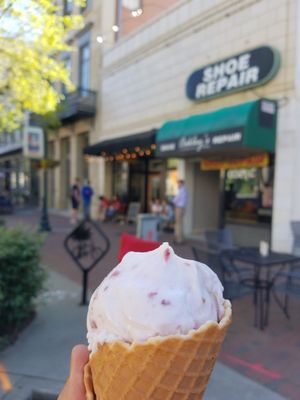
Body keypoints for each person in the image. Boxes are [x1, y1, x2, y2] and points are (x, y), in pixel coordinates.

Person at [172, 179, 188, 244]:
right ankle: (181, 238)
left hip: (179, 208)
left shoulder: (182, 190)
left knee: (178, 224)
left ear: (181, 183)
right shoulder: (184, 190)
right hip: (182, 208)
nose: (177, 185)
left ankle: (179, 239)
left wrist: (172, 201)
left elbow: (176, 199)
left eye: (178, 184)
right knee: (180, 223)